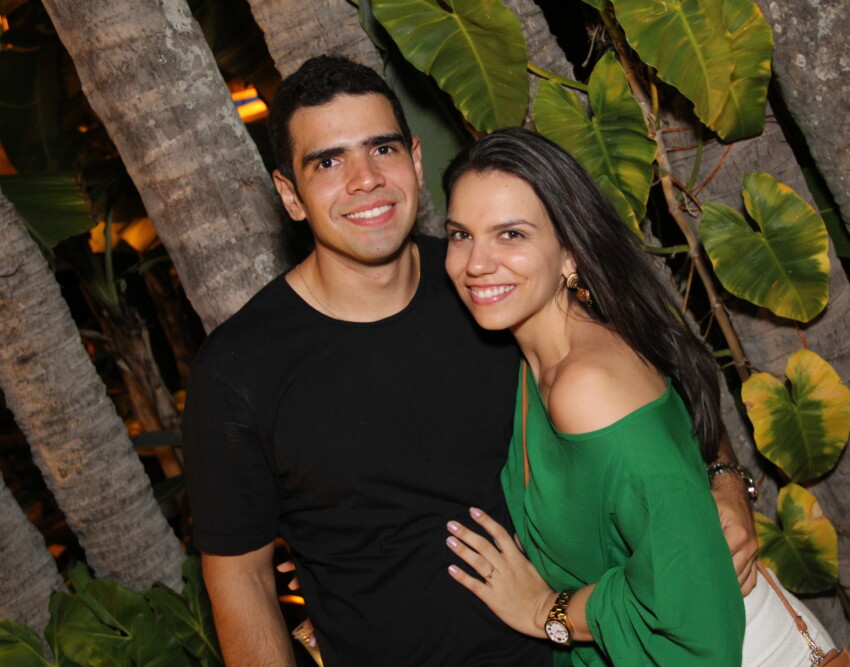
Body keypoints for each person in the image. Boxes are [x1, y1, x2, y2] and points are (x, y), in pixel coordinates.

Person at [182, 55, 757, 666]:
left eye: (382, 149)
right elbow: (240, 579)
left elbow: (662, 381)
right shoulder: (239, 369)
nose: (364, 179)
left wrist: (726, 485)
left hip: (576, 652)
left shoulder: (496, 287)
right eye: (328, 162)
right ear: (289, 195)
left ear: (415, 161)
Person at [442, 127, 834, 665]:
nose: (476, 263)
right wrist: (725, 477)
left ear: (569, 252)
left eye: (511, 235)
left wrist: (543, 611)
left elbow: (685, 603)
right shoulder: (550, 350)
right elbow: (684, 412)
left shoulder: (588, 387)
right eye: (461, 234)